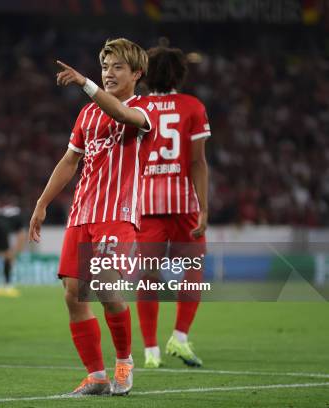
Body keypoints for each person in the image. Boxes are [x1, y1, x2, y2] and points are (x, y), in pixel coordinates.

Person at [29, 38, 158, 396]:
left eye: (117, 67)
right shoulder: (87, 113)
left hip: (118, 213)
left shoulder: (146, 109)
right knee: (73, 295)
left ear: (137, 73)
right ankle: (96, 376)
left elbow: (120, 113)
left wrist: (86, 83)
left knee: (105, 283)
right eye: (105, 68)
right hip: (82, 213)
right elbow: (70, 161)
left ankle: (124, 363)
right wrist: (42, 203)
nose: (109, 74)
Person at [135, 46, 210, 368]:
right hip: (183, 203)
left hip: (146, 204)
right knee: (193, 271)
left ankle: (151, 351)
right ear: (180, 73)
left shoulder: (134, 106)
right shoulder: (193, 106)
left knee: (147, 277)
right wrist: (204, 208)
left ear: (144, 74)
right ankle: (179, 338)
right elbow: (198, 162)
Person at [0, 201, 26, 297]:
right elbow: (21, 236)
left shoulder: (6, 212)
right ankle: (8, 286)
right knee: (7, 256)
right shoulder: (20, 218)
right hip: (0, 226)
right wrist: (14, 254)